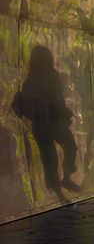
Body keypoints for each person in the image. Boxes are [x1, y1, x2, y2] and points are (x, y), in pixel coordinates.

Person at [11, 45, 79, 197]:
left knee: (50, 157)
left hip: (43, 122)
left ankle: (58, 189)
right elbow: (57, 99)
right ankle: (64, 181)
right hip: (53, 121)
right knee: (66, 149)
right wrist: (64, 113)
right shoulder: (50, 76)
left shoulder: (30, 80)